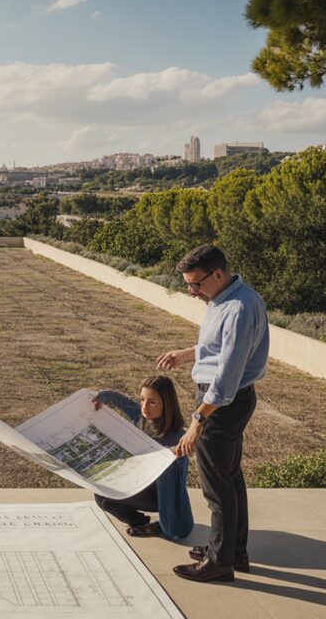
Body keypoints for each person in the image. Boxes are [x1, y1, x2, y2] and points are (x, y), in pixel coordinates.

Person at [157, 244, 268, 583]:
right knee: (230, 479)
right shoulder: (224, 298)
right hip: (224, 401)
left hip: (221, 404)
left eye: (195, 284)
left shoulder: (238, 308)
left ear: (217, 274)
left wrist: (198, 421)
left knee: (217, 488)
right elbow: (217, 349)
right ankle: (233, 551)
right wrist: (185, 354)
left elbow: (228, 376)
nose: (192, 292)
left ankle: (220, 563)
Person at [91, 376, 193, 541]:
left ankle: (166, 523)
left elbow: (196, 447)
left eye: (152, 402)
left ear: (167, 404)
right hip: (138, 484)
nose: (145, 407)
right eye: (142, 399)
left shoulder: (179, 434)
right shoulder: (139, 416)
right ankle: (139, 521)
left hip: (161, 495)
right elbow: (120, 400)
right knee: (102, 496)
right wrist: (102, 397)